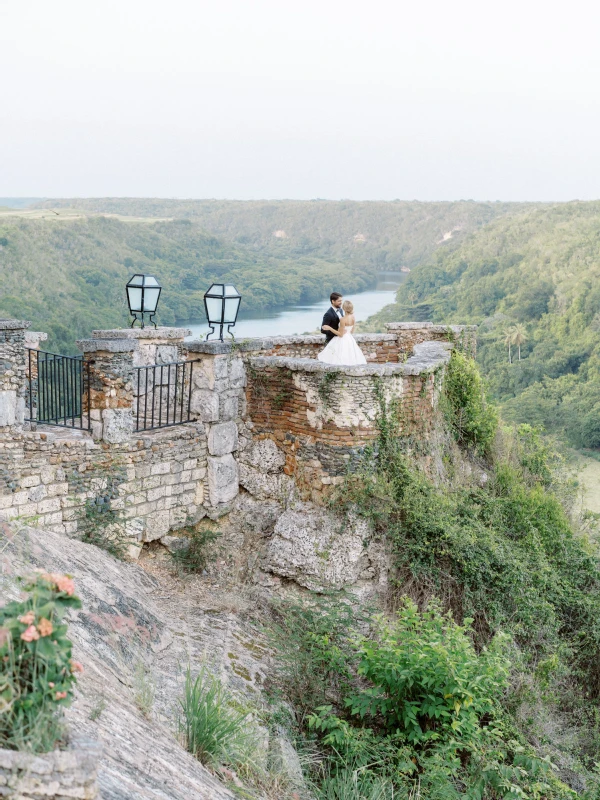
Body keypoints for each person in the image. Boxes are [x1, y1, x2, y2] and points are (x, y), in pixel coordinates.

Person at [318, 299, 367, 365]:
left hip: (342, 340)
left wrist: (330, 328)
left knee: (337, 358)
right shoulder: (353, 317)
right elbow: (352, 331)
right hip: (350, 339)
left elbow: (340, 335)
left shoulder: (343, 319)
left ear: (343, 308)